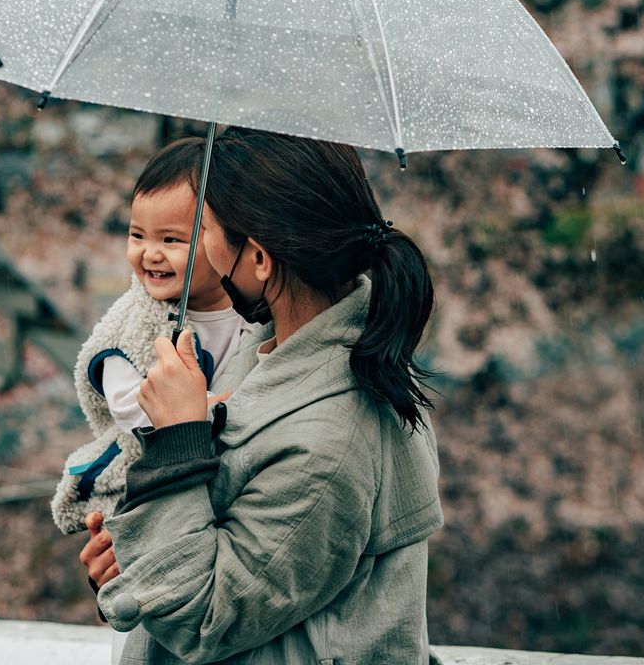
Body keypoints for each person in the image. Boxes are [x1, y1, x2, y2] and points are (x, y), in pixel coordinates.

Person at [79, 128, 445, 664]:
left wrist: (179, 441)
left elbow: (204, 618)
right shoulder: (276, 353)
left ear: (258, 259)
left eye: (207, 229)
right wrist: (130, 562)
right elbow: (206, 554)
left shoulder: (328, 440)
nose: (202, 247)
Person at [52, 140, 264, 535]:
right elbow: (134, 412)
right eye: (137, 235)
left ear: (223, 238)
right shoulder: (134, 327)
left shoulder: (253, 309)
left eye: (171, 240)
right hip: (157, 474)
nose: (150, 254)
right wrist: (210, 408)